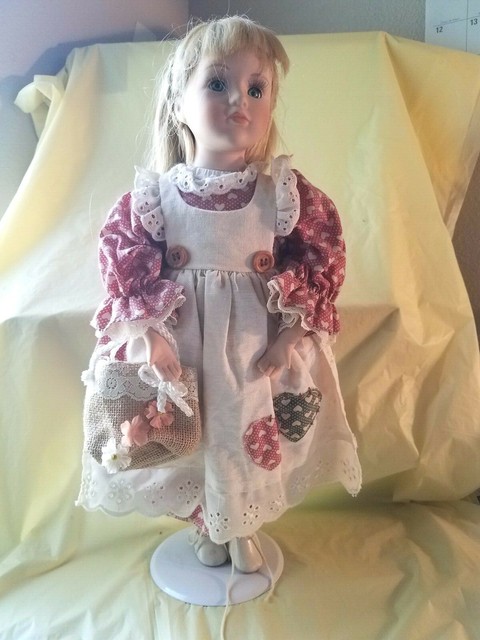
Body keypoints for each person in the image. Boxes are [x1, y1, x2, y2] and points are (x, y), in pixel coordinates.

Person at [77, 15, 361, 574]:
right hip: (182, 349)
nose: (239, 101)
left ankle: (241, 525)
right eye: (217, 83)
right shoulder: (156, 200)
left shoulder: (283, 197)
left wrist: (290, 336)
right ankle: (208, 525)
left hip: (251, 353)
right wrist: (151, 337)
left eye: (257, 88)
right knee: (191, 435)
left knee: (242, 434)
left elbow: (318, 265)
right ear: (178, 103)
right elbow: (128, 277)